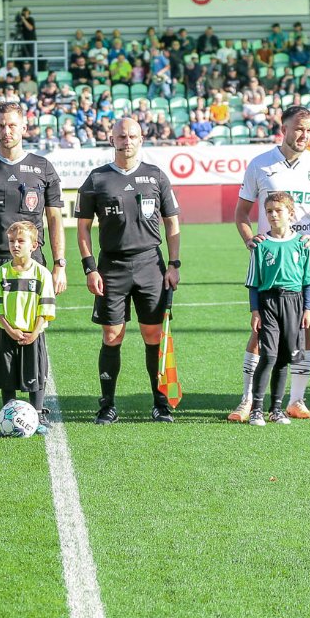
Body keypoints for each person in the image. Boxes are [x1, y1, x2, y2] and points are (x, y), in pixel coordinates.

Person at [0, 101, 66, 431]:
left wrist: (59, 264)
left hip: (33, 264)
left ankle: (38, 410)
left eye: (12, 125)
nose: (6, 131)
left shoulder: (42, 167)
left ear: (24, 128)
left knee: (34, 332)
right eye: (1, 126)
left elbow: (55, 219)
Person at [230, 106, 310, 421]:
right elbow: (241, 214)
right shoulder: (260, 164)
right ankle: (247, 400)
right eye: (299, 129)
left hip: (303, 262)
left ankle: (296, 400)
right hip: (271, 261)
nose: (304, 135)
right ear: (284, 129)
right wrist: (251, 242)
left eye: (309, 130)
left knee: (306, 326)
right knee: (259, 330)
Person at [76, 116, 181, 424]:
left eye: (132, 136)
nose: (127, 141)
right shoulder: (96, 179)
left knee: (153, 334)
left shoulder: (156, 176)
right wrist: (90, 268)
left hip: (150, 265)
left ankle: (160, 403)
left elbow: (172, 223)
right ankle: (107, 405)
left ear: (141, 139)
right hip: (112, 266)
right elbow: (83, 228)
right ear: (112, 140)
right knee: (112, 335)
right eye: (121, 136)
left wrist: (173, 264)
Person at [243, 191, 310, 426]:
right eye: (269, 211)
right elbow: (254, 282)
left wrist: (307, 309)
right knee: (269, 355)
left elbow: (308, 281)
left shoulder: (303, 244)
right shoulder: (261, 245)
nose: (273, 215)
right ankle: (256, 409)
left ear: (291, 213)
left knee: (284, 357)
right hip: (269, 302)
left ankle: (276, 409)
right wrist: (255, 311)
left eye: (278, 211)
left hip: (294, 303)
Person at [0, 221, 56, 428]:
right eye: (11, 241)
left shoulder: (42, 274)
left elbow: (45, 308)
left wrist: (35, 332)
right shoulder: (1, 273)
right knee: (7, 376)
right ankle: (8, 416)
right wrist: (10, 329)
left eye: (20, 241)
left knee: (35, 374)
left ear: (34, 245)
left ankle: (38, 414)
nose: (15, 245)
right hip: (8, 333)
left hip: (33, 334)